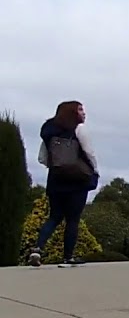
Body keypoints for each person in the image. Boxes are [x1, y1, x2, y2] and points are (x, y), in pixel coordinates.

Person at [28, 101, 100, 267]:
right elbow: (89, 152)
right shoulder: (79, 129)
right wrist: (95, 170)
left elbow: (42, 158)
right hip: (77, 180)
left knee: (54, 217)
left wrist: (56, 167)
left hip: (56, 179)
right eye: (80, 109)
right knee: (73, 219)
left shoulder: (49, 132)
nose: (84, 113)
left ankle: (37, 248)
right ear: (72, 112)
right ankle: (68, 257)